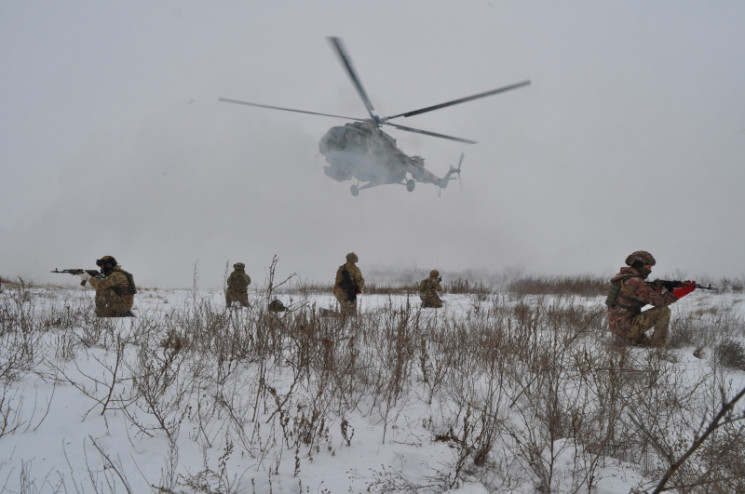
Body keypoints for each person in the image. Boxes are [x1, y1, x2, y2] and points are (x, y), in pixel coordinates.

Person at [606, 250, 695, 347]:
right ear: (639, 265)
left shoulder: (622, 278)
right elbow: (661, 301)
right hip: (627, 327)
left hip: (618, 327)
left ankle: (625, 340)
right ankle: (658, 348)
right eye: (648, 267)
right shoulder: (636, 282)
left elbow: (636, 297)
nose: (650, 270)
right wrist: (683, 291)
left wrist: (658, 287)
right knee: (663, 311)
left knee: (645, 345)